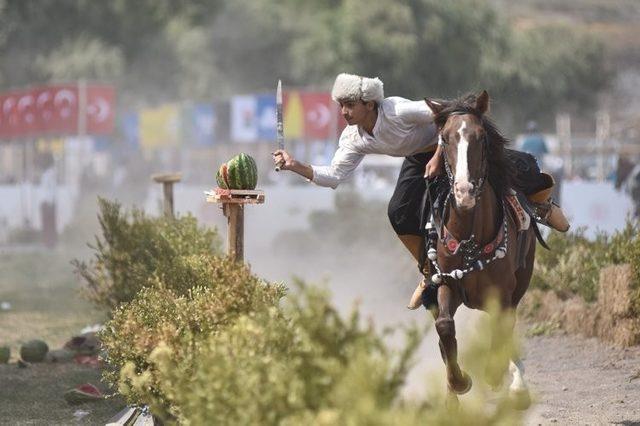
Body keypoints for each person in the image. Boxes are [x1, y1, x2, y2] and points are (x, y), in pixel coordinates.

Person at [272, 73, 569, 310]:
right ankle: (429, 270)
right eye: (341, 105)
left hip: (452, 143)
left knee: (523, 163)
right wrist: (295, 165)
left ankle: (542, 205)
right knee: (398, 212)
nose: (344, 112)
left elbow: (445, 113)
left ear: (370, 104)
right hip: (418, 158)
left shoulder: (397, 110)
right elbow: (335, 176)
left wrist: (440, 155)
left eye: (349, 104)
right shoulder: (352, 137)